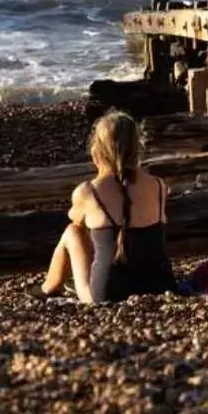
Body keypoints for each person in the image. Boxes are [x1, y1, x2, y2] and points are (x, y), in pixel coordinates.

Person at [42, 111, 176, 303]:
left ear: (97, 150)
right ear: (136, 147)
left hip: (108, 294)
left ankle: (47, 288)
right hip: (161, 287)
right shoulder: (158, 185)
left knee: (72, 232)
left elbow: (75, 218)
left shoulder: (88, 191)